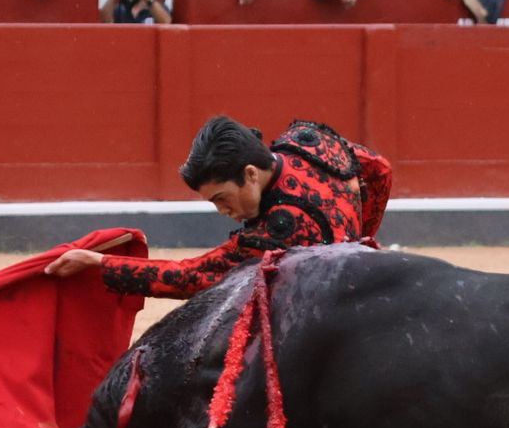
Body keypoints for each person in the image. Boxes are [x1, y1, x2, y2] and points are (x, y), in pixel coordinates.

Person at [44, 116, 392, 307]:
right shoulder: (305, 139)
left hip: (334, 313)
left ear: (250, 174)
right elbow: (379, 169)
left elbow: (189, 277)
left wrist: (100, 264)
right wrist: (362, 239)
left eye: (222, 197)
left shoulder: (279, 228)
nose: (222, 210)